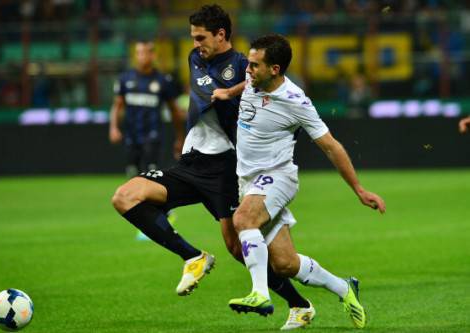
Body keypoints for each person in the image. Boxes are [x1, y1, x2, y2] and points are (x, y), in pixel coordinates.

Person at [112, 5, 314, 330]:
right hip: (192, 162)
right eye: (193, 37)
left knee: (238, 249)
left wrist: (233, 92)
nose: (195, 44)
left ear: (222, 35)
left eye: (201, 37)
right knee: (125, 197)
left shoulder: (244, 67)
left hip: (225, 168)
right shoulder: (196, 58)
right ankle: (193, 257)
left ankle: (299, 304)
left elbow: (264, 89)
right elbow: (206, 93)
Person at [227, 34, 386, 329]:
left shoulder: (295, 100)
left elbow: (331, 146)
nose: (247, 70)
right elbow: (245, 84)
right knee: (285, 264)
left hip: (278, 178)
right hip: (248, 181)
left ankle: (260, 294)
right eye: (248, 64)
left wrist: (359, 189)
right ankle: (344, 288)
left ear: (275, 69)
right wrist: (228, 93)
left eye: (254, 65)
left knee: (243, 220)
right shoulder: (253, 81)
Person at [109, 40, 185, 178]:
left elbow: (174, 110)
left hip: (153, 134)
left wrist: (179, 137)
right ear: (135, 55)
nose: (142, 56)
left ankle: (151, 199)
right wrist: (113, 127)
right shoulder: (125, 79)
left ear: (153, 55)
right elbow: (117, 106)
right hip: (131, 134)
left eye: (146, 52)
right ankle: (135, 200)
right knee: (132, 172)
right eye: (139, 53)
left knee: (151, 173)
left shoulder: (163, 80)